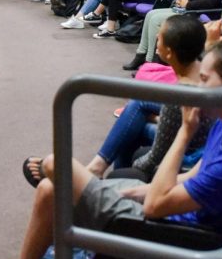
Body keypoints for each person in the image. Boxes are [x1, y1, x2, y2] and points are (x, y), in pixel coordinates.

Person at [0, 39, 222, 259]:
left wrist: (185, 133)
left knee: (55, 165)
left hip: (169, 232)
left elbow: (155, 206)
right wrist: (132, 192)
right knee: (48, 189)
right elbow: (193, 176)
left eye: (204, 79)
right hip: (165, 207)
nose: (197, 88)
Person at [81, 18, 211, 182]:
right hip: (201, 140)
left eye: (161, 37)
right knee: (136, 110)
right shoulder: (205, 70)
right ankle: (103, 172)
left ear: (169, 52)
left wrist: (135, 167)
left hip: (192, 154)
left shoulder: (179, 96)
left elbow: (154, 159)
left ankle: (115, 180)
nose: (157, 36)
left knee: (133, 126)